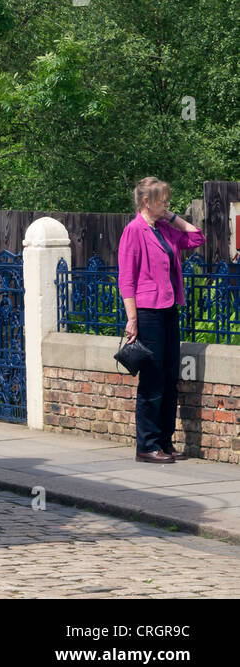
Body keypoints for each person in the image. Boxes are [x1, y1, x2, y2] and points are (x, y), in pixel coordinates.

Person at [118, 176, 205, 464]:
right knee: (153, 379)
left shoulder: (165, 229)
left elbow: (196, 237)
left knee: (169, 377)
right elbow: (126, 279)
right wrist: (132, 319)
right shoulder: (134, 231)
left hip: (168, 307)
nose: (167, 204)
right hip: (147, 311)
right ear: (146, 202)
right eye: (162, 200)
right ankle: (147, 445)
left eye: (167, 200)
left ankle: (165, 442)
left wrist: (173, 217)